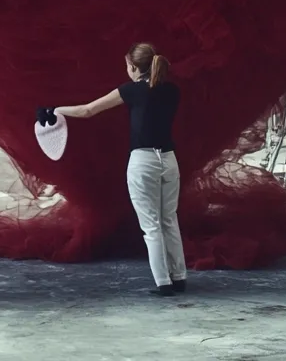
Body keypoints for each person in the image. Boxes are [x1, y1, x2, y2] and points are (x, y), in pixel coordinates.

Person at [42, 42, 186, 297]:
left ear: (133, 67)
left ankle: (163, 282)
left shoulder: (131, 90)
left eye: (127, 66)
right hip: (169, 160)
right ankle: (180, 278)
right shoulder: (172, 90)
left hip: (143, 161)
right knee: (169, 220)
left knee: (151, 226)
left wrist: (54, 110)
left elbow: (87, 110)